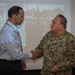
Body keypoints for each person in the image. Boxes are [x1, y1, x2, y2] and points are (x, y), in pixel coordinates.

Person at [0, 6, 32, 75]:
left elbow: (17, 48)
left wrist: (22, 61)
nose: (23, 19)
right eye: (22, 16)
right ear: (14, 16)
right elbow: (16, 55)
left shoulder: (12, 29)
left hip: (13, 64)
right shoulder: (7, 31)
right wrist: (31, 54)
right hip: (8, 67)